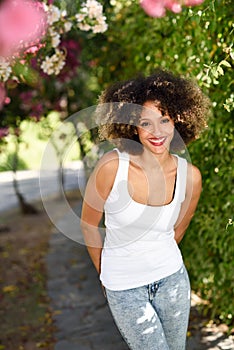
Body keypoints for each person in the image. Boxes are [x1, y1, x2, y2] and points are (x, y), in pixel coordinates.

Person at [80, 69, 210, 350]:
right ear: (132, 127)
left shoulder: (191, 176)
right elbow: (89, 224)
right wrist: (106, 273)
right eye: (145, 123)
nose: (157, 132)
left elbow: (179, 228)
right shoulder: (112, 167)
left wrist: (154, 255)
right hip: (124, 287)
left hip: (172, 280)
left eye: (164, 119)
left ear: (177, 120)